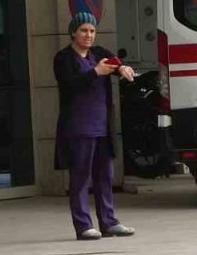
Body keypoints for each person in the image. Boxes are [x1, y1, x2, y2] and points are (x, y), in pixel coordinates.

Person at [54, 12, 137, 241]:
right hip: (79, 127)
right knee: (80, 177)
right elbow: (69, 85)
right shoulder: (63, 58)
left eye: (91, 31)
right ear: (73, 32)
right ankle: (83, 226)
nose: (88, 35)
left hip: (102, 126)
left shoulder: (98, 53)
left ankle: (109, 222)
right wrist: (95, 72)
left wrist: (121, 68)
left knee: (105, 176)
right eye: (83, 30)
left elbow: (114, 61)